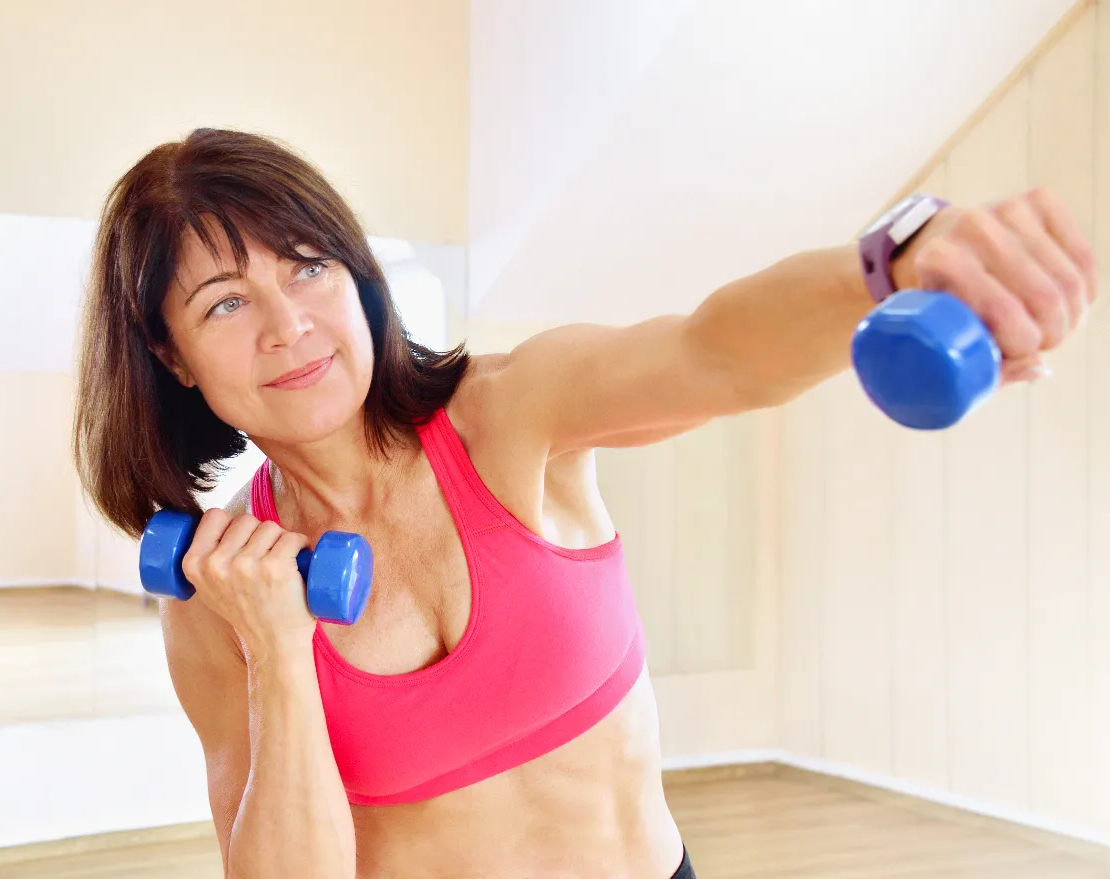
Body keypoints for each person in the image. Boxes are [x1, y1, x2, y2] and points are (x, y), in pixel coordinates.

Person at [72, 127, 1095, 879]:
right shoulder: (218, 594)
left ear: (359, 276)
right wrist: (280, 657)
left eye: (308, 267)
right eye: (226, 303)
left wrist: (891, 264)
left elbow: (714, 351)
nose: (290, 326)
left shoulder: (514, 417)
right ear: (172, 357)